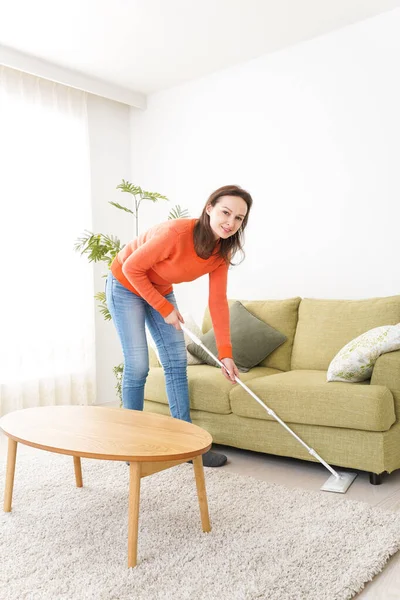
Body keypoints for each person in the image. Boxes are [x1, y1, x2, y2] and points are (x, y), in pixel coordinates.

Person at [106, 184, 253, 467]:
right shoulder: (175, 234)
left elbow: (218, 302)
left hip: (159, 288)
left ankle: (188, 447)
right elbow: (131, 268)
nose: (230, 222)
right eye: (226, 212)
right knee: (138, 365)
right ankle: (129, 445)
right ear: (209, 208)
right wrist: (164, 308)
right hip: (125, 285)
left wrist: (225, 353)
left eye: (239, 218)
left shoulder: (221, 252)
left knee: (176, 362)